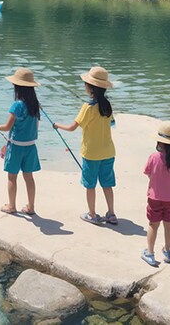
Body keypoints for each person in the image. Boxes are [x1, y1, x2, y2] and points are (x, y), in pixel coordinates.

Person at [54, 66, 118, 225]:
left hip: (91, 154)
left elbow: (72, 127)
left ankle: (92, 214)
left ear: (90, 88)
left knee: (90, 185)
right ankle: (111, 214)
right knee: (107, 184)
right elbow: (112, 124)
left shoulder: (87, 107)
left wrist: (56, 125)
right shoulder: (108, 105)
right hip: (108, 152)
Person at [0, 67, 41, 215]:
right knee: (29, 177)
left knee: (12, 177)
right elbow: (36, 125)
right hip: (31, 147)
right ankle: (31, 207)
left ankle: (12, 206)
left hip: (16, 147)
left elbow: (7, 126)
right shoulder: (35, 105)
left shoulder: (17, 105)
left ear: (17, 87)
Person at [142, 122, 170, 267]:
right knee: (169, 224)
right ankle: (167, 250)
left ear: (159, 143)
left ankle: (150, 253)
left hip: (154, 197)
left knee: (153, 225)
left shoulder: (153, 157)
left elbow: (149, 174)